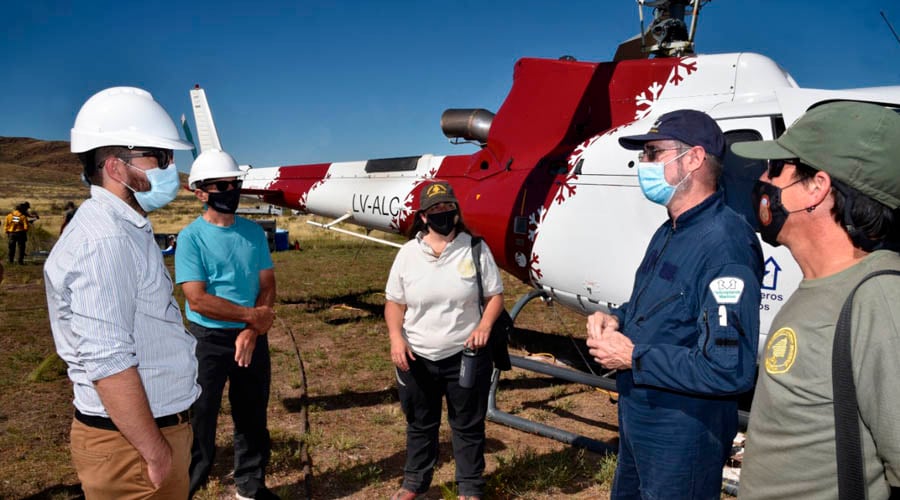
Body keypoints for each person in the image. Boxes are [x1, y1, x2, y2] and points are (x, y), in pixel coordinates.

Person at [586, 109, 763, 499]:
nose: (643, 163)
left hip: (684, 433)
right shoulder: (670, 230)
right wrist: (615, 319)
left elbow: (728, 369)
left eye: (652, 152)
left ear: (694, 159)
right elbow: (655, 309)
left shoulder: (725, 244)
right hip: (640, 419)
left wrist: (634, 358)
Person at [732, 101, 900, 499]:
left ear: (817, 187)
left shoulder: (880, 300)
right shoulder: (824, 285)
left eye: (776, 168)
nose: (762, 179)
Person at [44, 86, 200, 499]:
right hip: (134, 446)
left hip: (142, 437)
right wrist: (155, 453)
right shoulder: (105, 240)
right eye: (161, 157)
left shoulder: (123, 230)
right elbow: (108, 360)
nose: (171, 168)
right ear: (115, 167)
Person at [384, 181, 504, 500]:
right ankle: (414, 483)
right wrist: (397, 338)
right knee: (420, 424)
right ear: (423, 216)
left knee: (467, 424)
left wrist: (484, 326)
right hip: (416, 356)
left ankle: (469, 487)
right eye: (434, 209)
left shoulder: (475, 248)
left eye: (447, 207)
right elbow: (395, 302)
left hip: (464, 354)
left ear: (456, 211)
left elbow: (495, 296)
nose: (442, 213)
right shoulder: (408, 254)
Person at [175, 149, 278, 500]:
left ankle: (250, 484)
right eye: (222, 185)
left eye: (235, 184)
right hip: (208, 338)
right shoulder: (191, 238)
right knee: (201, 412)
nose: (231, 190)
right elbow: (197, 299)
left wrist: (252, 330)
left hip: (250, 336)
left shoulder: (253, 233)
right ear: (200, 192)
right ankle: (192, 480)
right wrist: (253, 317)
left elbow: (267, 285)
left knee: (251, 412)